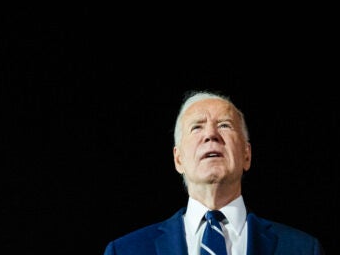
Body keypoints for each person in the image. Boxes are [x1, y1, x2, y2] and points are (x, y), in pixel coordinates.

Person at [103, 90, 326, 255]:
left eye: (225, 125)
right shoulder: (124, 251)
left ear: (247, 155)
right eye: (197, 127)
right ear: (178, 159)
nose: (211, 134)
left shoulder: (303, 249)